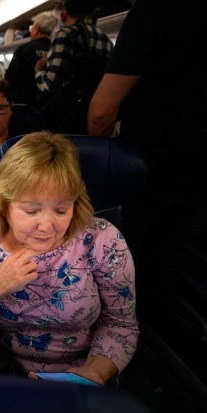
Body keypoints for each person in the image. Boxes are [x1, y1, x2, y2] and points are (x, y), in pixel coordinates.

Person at [0, 131, 139, 385]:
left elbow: (121, 324)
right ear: (3, 205)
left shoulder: (103, 240)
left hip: (84, 371)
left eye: (62, 209)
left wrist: (95, 372)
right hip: (2, 370)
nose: (47, 226)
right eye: (31, 210)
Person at [87, 0, 206, 337]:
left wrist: (103, 159)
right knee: (166, 256)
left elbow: (102, 110)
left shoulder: (155, 10)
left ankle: (123, 341)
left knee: (127, 260)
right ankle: (161, 340)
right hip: (197, 162)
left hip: (146, 162)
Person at [34, 0, 113, 134]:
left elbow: (49, 84)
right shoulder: (107, 41)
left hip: (66, 115)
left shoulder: (65, 34)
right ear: (96, 12)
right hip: (92, 112)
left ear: (64, 16)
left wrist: (39, 71)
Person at [4, 11, 59, 105]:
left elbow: (10, 78)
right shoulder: (56, 49)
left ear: (37, 28)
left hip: (23, 103)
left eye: (32, 26)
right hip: (47, 103)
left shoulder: (23, 49)